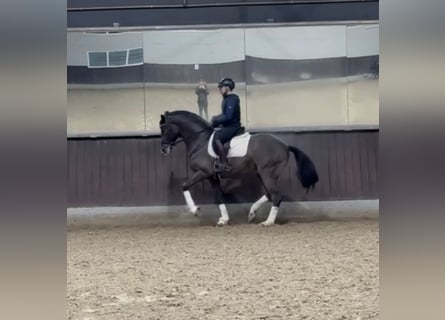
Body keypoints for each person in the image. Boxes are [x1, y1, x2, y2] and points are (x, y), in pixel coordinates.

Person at [210, 78, 241, 173]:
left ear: (227, 88)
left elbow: (228, 116)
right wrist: (215, 118)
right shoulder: (227, 99)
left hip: (233, 126)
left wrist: (216, 121)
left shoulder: (232, 98)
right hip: (228, 126)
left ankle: (224, 163)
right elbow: (224, 115)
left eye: (221, 87)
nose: (220, 89)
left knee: (217, 138)